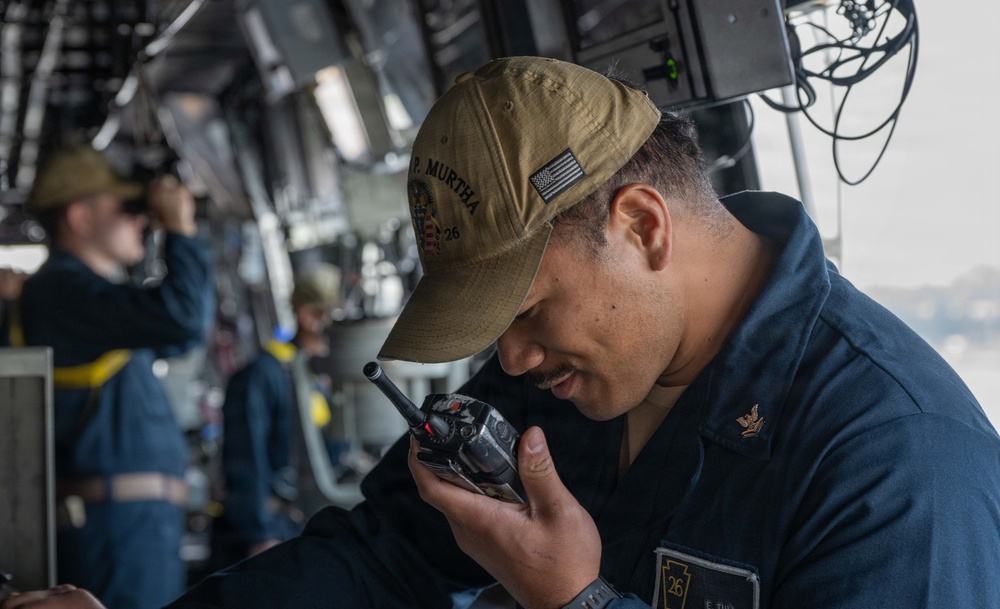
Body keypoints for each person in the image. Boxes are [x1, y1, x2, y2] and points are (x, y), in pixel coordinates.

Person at [169, 57, 1000, 608]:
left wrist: (575, 601)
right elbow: (385, 556)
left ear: (642, 227)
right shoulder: (564, 379)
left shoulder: (899, 462)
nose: (513, 358)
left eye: (525, 310)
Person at [4, 145, 214, 609]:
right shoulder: (60, 291)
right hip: (114, 532)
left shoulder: (89, 301)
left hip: (134, 526)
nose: (142, 220)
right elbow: (182, 319)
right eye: (128, 209)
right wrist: (178, 228)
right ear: (80, 218)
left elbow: (183, 333)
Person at [212, 263, 342, 565]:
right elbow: (245, 459)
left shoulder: (321, 379)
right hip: (272, 532)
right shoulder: (263, 375)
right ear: (310, 317)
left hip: (306, 525)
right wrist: (259, 534)